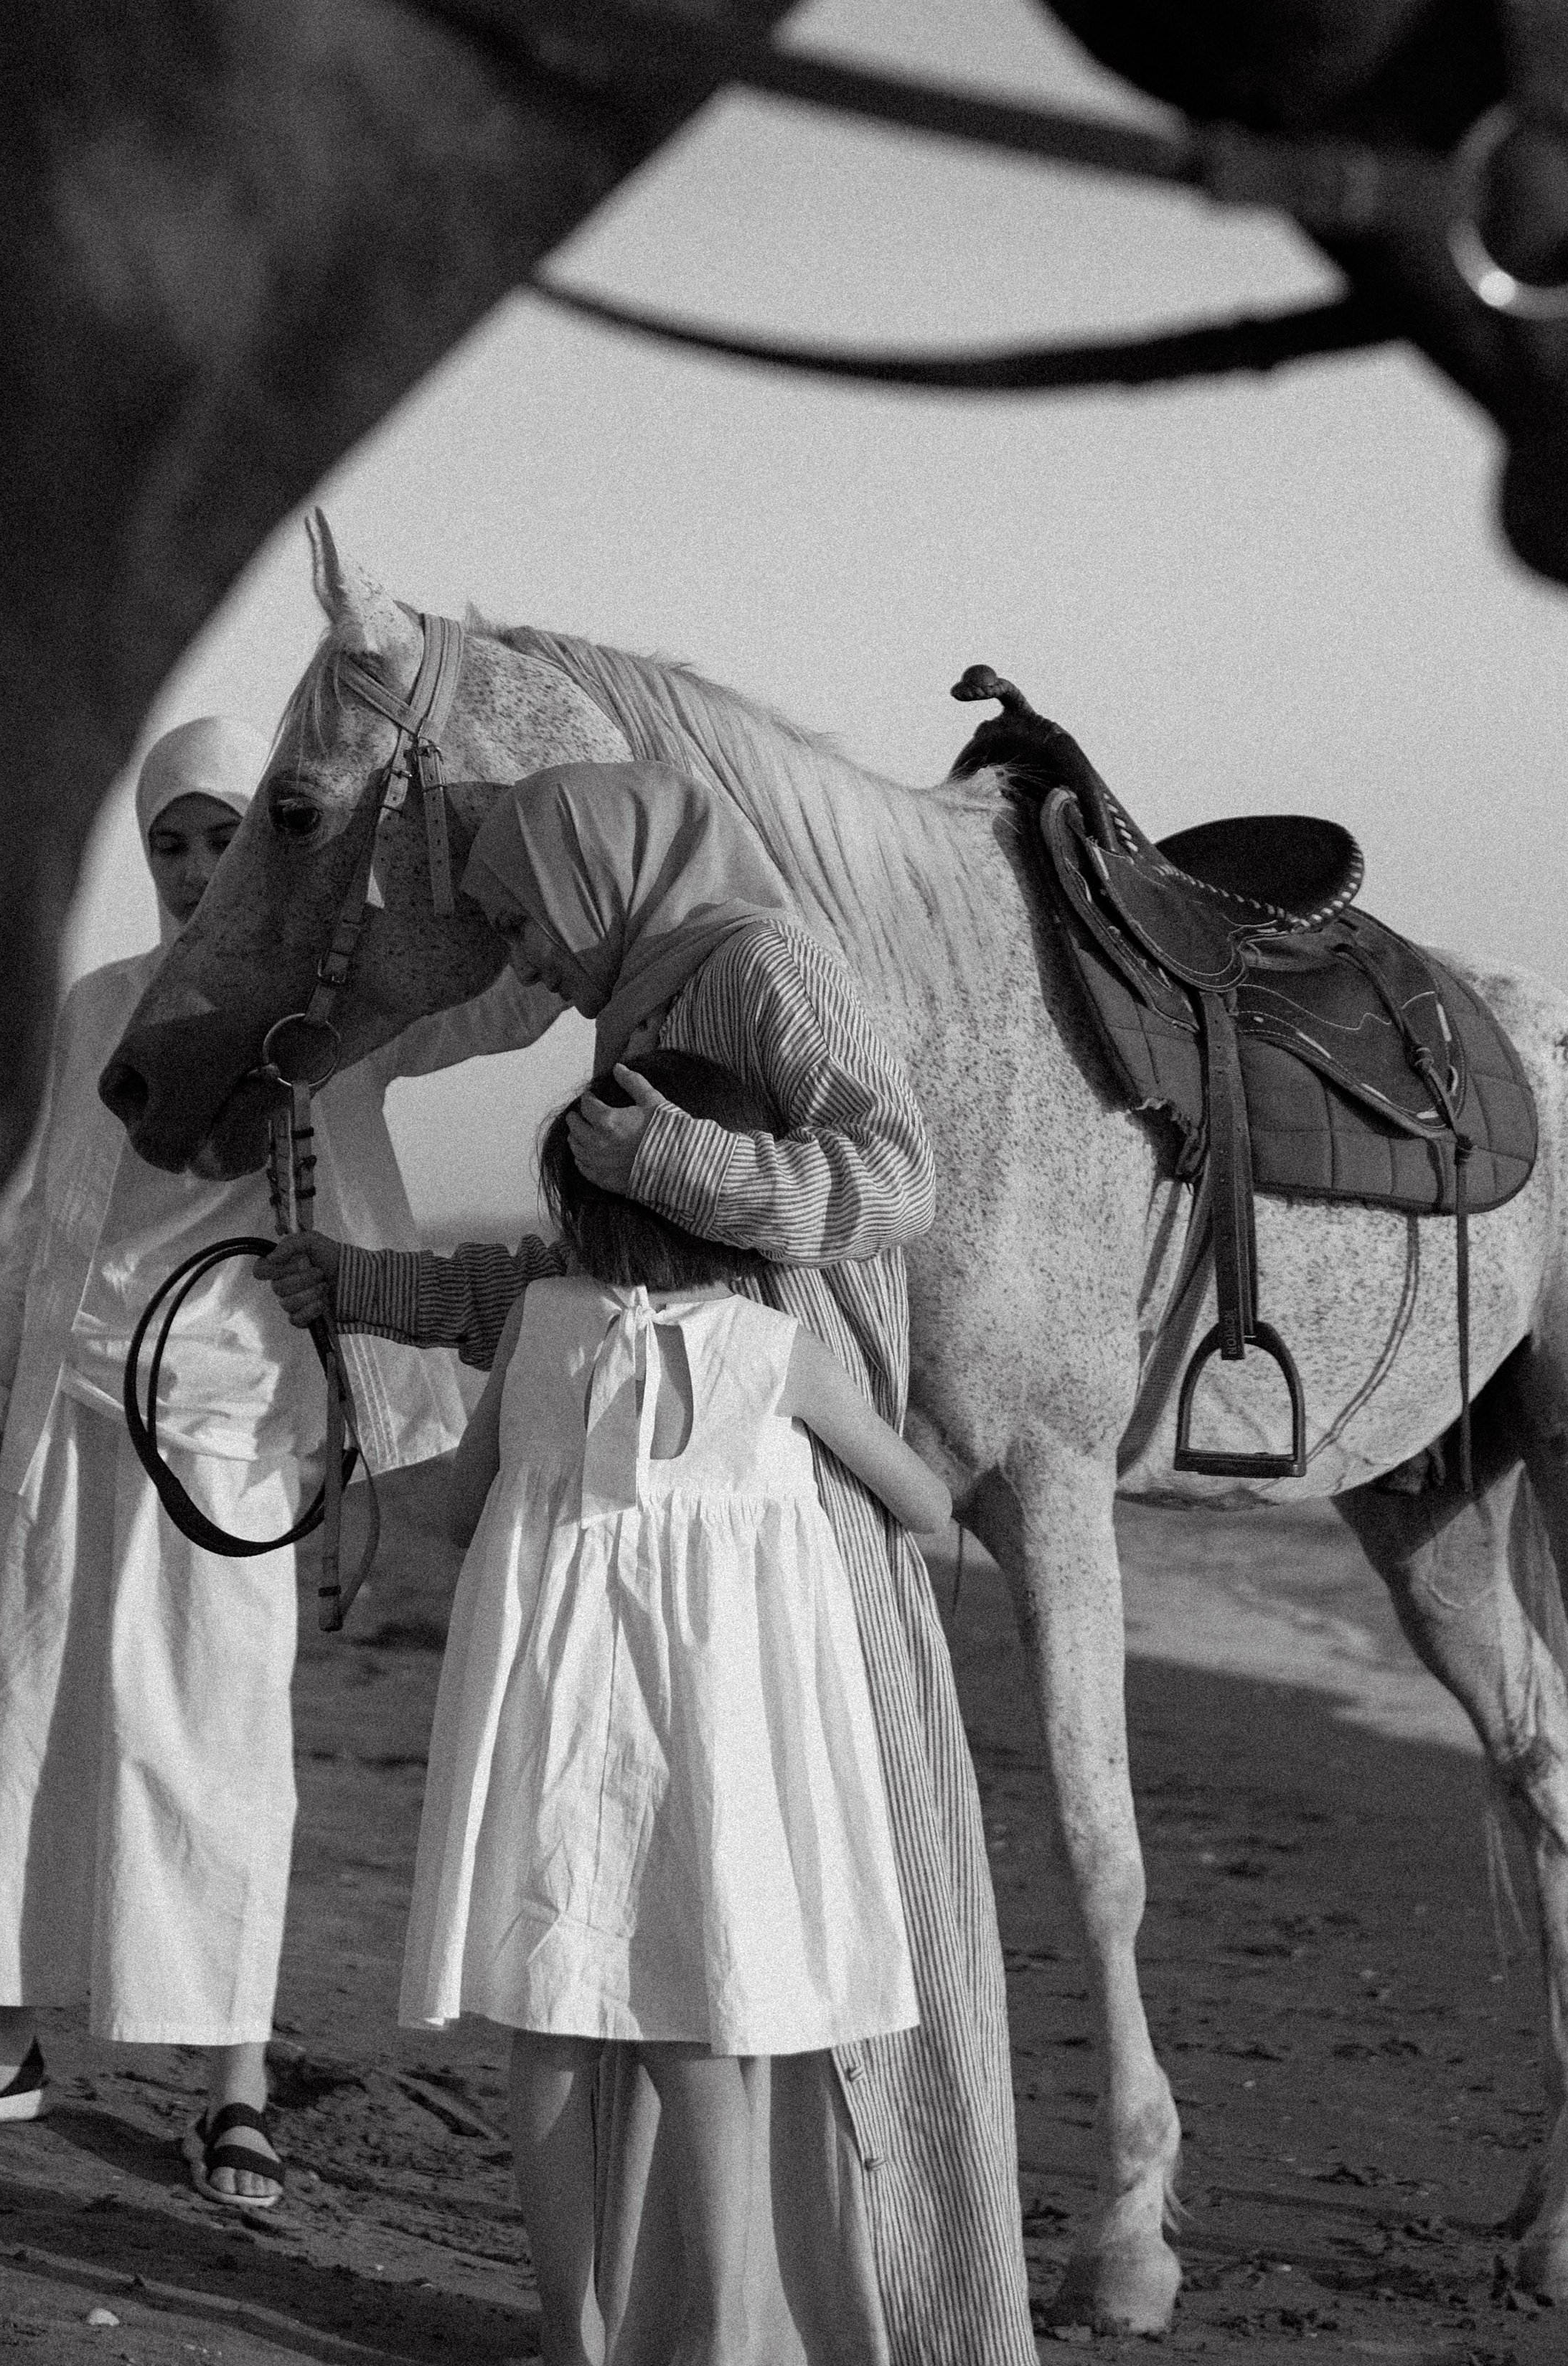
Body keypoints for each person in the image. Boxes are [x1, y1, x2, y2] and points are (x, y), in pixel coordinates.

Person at [261, 762, 1035, 2365]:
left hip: (623, 1647)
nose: (522, 954)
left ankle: (651, 2327)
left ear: (599, 864)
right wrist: (365, 1287)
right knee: (727, 1997)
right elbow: (913, 1490)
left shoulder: (761, 966)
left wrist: (667, 1165)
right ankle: (729, 2323)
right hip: (738, 1631)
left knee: (586, 1999)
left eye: (524, 911)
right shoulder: (652, 1042)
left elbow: (892, 1185)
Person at [0, 717, 555, 2205]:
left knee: (209, 1747)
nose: (190, 868)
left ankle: (230, 2087)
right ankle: (7, 2031)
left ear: (265, 853)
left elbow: (503, 1002)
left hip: (237, 1427)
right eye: (169, 842)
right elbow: (43, 1211)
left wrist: (462, 827)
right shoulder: (101, 1003)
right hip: (64, 1408)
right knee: (28, 1711)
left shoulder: (333, 1011)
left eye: (221, 838)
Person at [405, 1049, 950, 2366]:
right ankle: (718, 2331)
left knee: (551, 2012)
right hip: (709, 1726)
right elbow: (925, 1503)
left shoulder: (543, 1325)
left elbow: (454, 1500)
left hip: (553, 1702)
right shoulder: (778, 1353)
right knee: (701, 2018)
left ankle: (571, 2329)